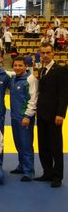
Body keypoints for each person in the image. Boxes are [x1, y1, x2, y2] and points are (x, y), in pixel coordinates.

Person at [35, 43, 68, 188]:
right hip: (41, 115)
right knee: (43, 145)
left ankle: (57, 176)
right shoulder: (41, 70)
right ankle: (47, 172)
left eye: (48, 52)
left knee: (55, 146)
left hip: (54, 115)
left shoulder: (60, 70)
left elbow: (64, 93)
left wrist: (61, 114)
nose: (45, 55)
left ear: (53, 53)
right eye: (43, 53)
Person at [9, 56, 38, 181]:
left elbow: (34, 99)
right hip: (14, 117)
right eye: (15, 65)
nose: (17, 68)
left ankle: (28, 171)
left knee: (26, 144)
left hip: (25, 117)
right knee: (18, 143)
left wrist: (28, 115)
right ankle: (21, 166)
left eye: (20, 65)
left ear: (26, 66)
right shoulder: (14, 78)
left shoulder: (31, 79)